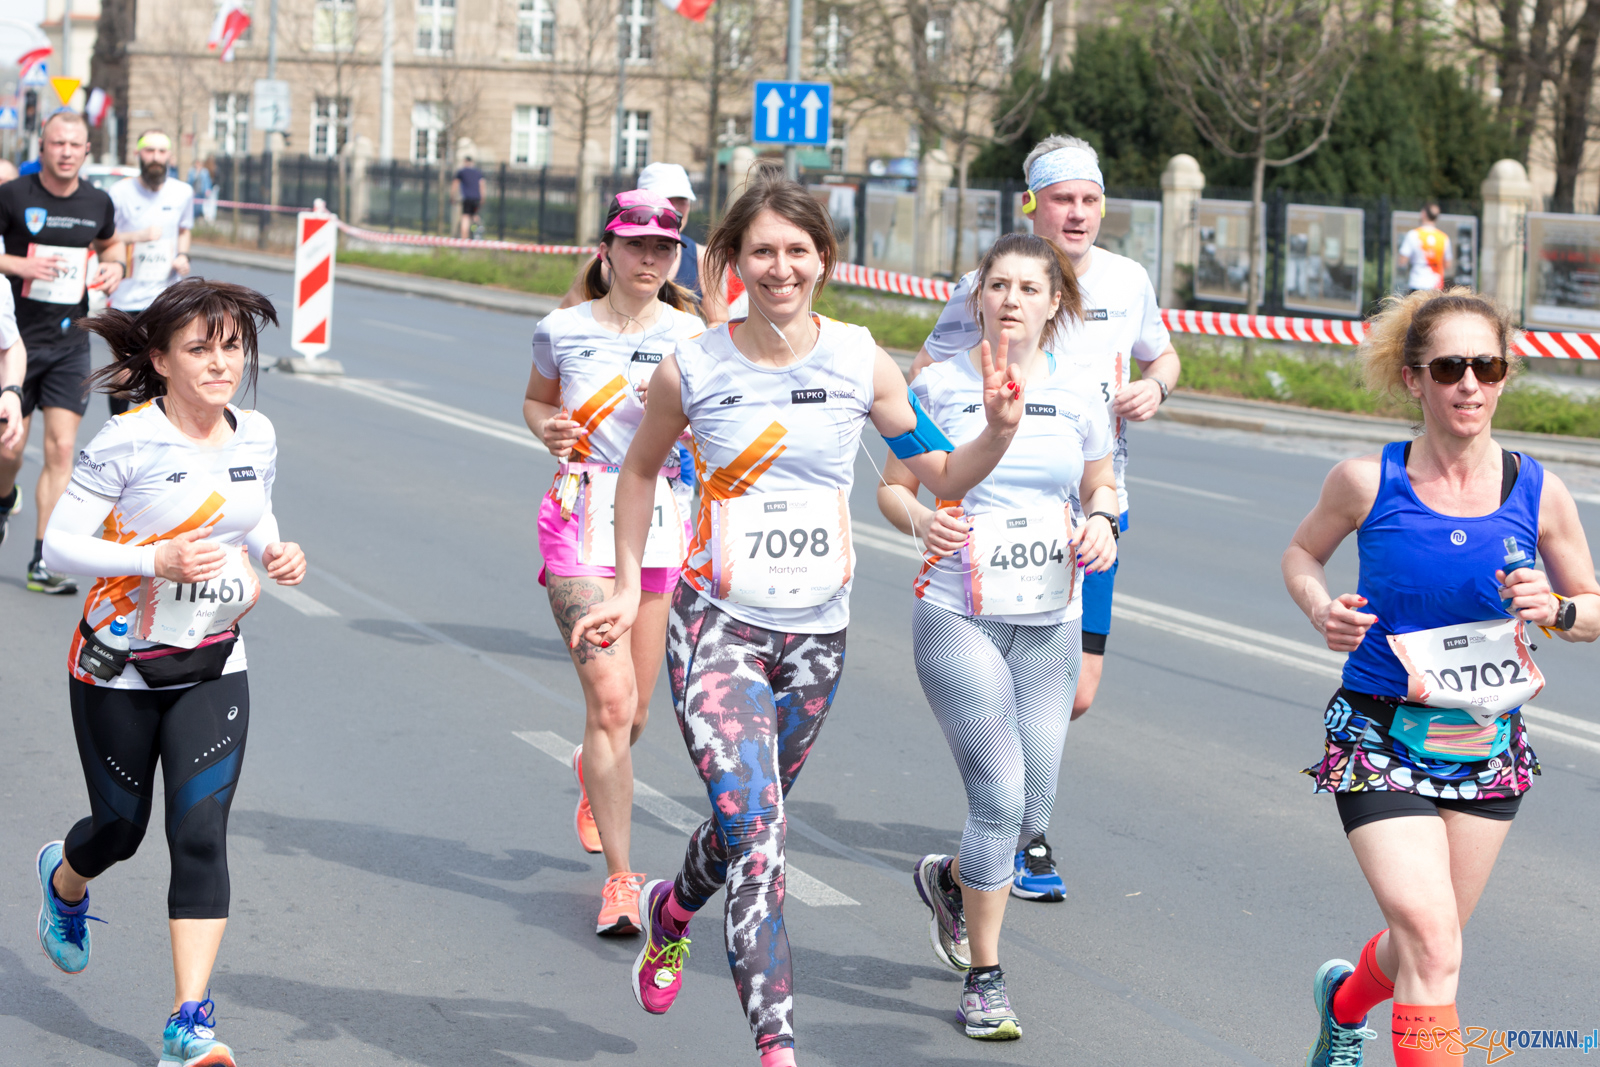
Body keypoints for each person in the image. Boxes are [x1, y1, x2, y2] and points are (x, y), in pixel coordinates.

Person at [567, 174, 1027, 1067]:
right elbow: (639, 470)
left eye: (797, 250)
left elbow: (940, 472)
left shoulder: (858, 359)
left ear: (824, 259)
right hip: (717, 628)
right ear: (733, 263)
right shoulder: (693, 367)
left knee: (747, 820)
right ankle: (777, 1048)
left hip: (817, 638)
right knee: (762, 842)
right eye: (762, 252)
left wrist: (998, 433)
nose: (780, 268)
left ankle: (672, 909)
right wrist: (625, 584)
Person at [1282, 289, 1600, 1067]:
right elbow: (1302, 553)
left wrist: (1557, 608)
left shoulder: (1539, 490)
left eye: (1487, 367)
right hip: (1379, 734)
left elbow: (1591, 608)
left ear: (1504, 375)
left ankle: (1343, 1002)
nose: (1470, 384)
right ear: (1413, 378)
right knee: (1433, 941)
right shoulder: (1367, 481)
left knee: (1430, 939)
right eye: (1450, 367)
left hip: (1485, 742)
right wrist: (1322, 607)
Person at [35, 278, 305, 1067]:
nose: (222, 364)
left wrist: (275, 549)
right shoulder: (126, 440)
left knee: (200, 834)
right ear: (159, 359)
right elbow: (60, 546)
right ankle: (65, 880)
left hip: (213, 660)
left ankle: (189, 1023)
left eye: (233, 347)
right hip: (117, 664)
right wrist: (154, 558)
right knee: (120, 830)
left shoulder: (257, 434)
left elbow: (253, 513)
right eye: (200, 349)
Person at [912, 134, 1180, 902]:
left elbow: (1163, 357)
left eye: (1091, 199)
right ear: (1032, 204)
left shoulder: (1126, 280)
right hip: (986, 514)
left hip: (1087, 508)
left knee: (1078, 693)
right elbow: (924, 377)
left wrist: (1156, 388)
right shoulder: (985, 286)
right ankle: (1014, 827)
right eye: (1063, 199)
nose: (1079, 213)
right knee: (1000, 704)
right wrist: (951, 451)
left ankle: (1011, 809)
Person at [878, 232, 1118, 1040]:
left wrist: (1102, 521)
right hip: (957, 613)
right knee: (1000, 797)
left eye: (1029, 287)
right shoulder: (938, 384)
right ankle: (985, 975)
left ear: (1056, 304)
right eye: (998, 285)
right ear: (977, 297)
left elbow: (1101, 481)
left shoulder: (1082, 387)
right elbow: (894, 488)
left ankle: (953, 879)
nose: (1012, 299)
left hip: (1049, 621)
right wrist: (921, 521)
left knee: (1032, 808)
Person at [522, 190, 706, 935]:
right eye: (635, 245)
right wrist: (548, 428)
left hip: (661, 525)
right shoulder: (561, 328)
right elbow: (536, 401)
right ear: (608, 250)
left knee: (637, 711)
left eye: (664, 248)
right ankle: (623, 882)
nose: (649, 258)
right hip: (580, 516)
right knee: (609, 701)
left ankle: (591, 770)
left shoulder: (693, 335)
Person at [0, 109, 124, 595]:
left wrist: (115, 267)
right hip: (13, 343)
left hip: (70, 343)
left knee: (62, 448)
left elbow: (112, 246)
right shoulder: (14, 196)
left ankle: (43, 560)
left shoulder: (98, 201)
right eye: (58, 143)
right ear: (43, 147)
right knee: (8, 447)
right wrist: (19, 265)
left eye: (75, 145)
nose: (66, 152)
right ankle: (4, 497)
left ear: (87, 150)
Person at [559, 162, 728, 325]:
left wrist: (692, 339)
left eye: (682, 199)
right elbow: (565, 319)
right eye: (635, 244)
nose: (674, 207)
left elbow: (719, 321)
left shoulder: (701, 259)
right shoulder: (604, 265)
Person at [109, 130, 195, 417]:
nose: (155, 157)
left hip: (166, 298)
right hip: (126, 295)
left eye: (161, 151)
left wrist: (183, 256)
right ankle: (118, 424)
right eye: (149, 151)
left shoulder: (182, 192)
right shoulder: (119, 193)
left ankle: (159, 431)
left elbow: (184, 230)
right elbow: (105, 239)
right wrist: (137, 236)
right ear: (138, 154)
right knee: (125, 373)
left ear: (170, 156)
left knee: (163, 371)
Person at [1396, 204, 1453, 294]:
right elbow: (1448, 265)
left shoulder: (1413, 234)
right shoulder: (1443, 238)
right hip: (1436, 285)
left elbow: (1402, 261)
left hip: (1417, 283)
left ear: (1423, 214)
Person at [453, 156, 484, 239]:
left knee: (465, 217)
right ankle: (478, 234)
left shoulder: (462, 172)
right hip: (476, 199)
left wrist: (452, 196)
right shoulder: (478, 172)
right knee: (475, 216)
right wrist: (482, 197)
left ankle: (464, 239)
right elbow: (482, 185)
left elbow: (455, 183)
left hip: (467, 199)